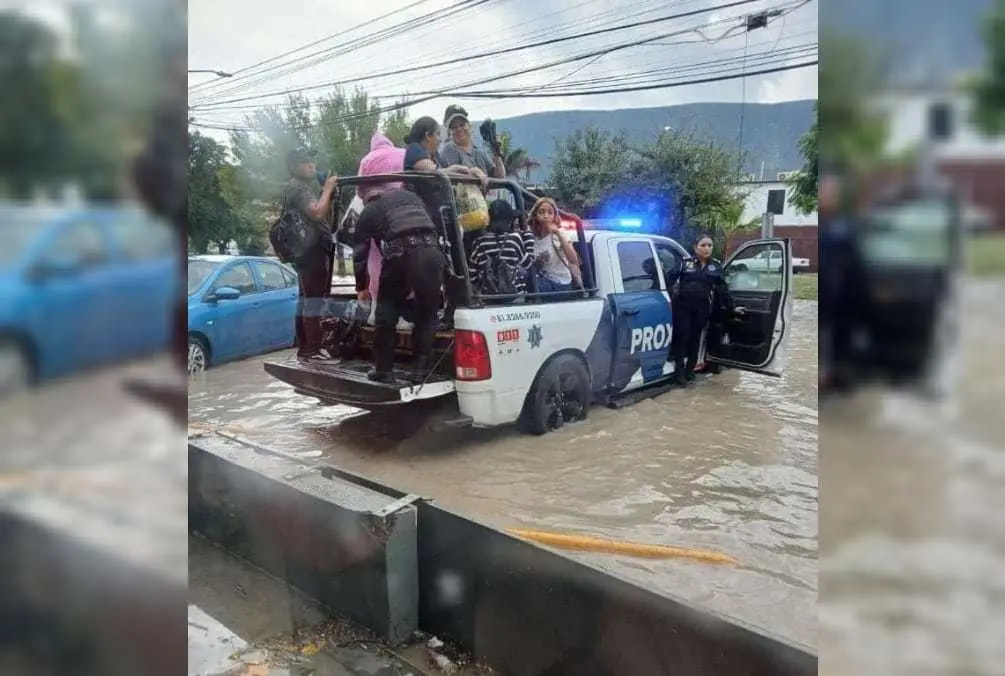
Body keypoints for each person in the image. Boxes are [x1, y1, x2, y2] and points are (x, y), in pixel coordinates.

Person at [353, 188, 445, 384]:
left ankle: (384, 370)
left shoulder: (370, 211)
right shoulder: (412, 197)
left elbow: (360, 252)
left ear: (367, 199)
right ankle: (420, 371)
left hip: (400, 253)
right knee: (427, 314)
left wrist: (362, 286)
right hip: (432, 252)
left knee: (386, 313)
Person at [283, 148, 339, 361]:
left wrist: (330, 195)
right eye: (304, 161)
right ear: (292, 167)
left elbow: (326, 218)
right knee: (313, 299)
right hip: (310, 250)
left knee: (306, 297)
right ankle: (313, 349)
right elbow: (316, 212)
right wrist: (327, 189)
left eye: (312, 160)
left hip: (307, 250)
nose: (311, 164)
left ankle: (306, 346)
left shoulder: (299, 188)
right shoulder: (298, 189)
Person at [670, 234, 738, 387]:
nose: (707, 248)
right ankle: (679, 374)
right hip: (683, 307)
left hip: (702, 308)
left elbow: (723, 290)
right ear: (695, 247)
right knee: (682, 338)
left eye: (709, 245)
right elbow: (670, 279)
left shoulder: (716, 266)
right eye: (703, 245)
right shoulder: (685, 263)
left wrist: (732, 307)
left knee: (695, 339)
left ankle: (690, 371)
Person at [468, 199, 533, 299]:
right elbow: (528, 264)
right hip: (514, 296)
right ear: (509, 221)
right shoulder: (514, 239)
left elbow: (472, 276)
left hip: (488, 297)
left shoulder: (479, 242)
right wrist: (528, 237)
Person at [527, 197, 580, 296]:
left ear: (555, 216)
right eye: (541, 212)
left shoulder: (559, 234)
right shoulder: (532, 237)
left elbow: (573, 260)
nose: (546, 216)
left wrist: (558, 233)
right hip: (543, 279)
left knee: (530, 283)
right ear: (535, 215)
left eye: (550, 213)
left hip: (560, 284)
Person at [440, 104, 505, 180]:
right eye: (453, 127)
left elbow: (500, 176)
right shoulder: (450, 149)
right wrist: (474, 172)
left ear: (469, 125)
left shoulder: (478, 151)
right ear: (449, 132)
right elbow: (456, 176)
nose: (459, 129)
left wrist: (496, 151)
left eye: (462, 125)